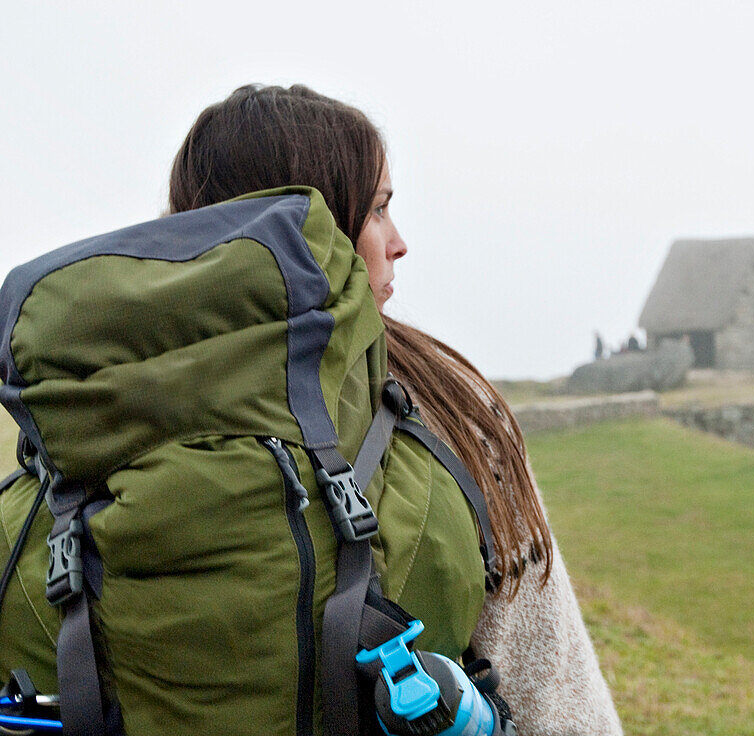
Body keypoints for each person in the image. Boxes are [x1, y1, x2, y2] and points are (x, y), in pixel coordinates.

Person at [167, 84, 622, 735]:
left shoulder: (108, 410)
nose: (399, 242)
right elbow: (553, 691)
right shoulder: (446, 406)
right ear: (308, 235)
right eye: (377, 210)